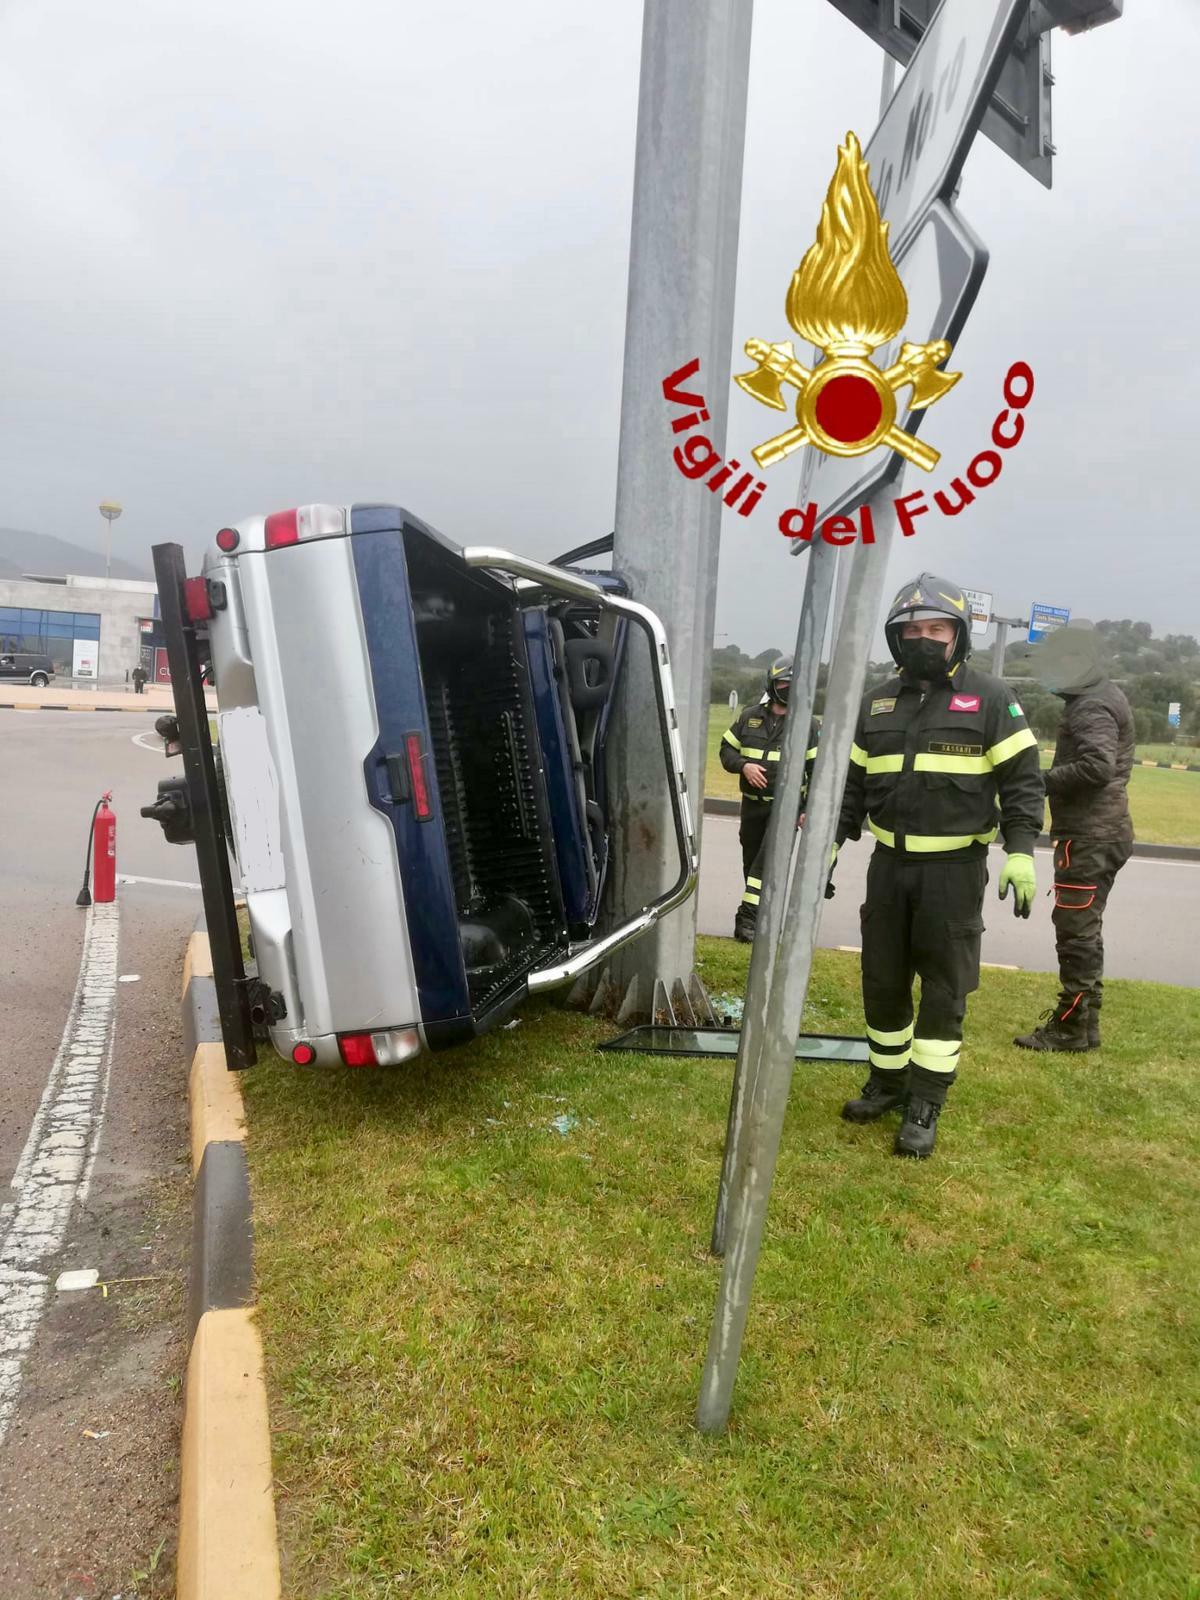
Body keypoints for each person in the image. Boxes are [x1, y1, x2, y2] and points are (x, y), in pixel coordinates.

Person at [833, 574, 1045, 1158]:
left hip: (953, 872)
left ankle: (926, 1101)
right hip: (888, 866)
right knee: (881, 981)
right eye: (912, 630)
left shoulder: (992, 698)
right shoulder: (876, 702)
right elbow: (849, 787)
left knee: (945, 990)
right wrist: (828, 845)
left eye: (936, 629)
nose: (923, 639)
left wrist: (1022, 851)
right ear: (896, 639)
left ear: (957, 635)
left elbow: (1023, 783)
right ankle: (888, 1081)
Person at [1014, 628, 1134, 1051]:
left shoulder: (1091, 706)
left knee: (1076, 932)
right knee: (1085, 929)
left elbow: (1096, 767)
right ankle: (1085, 1026)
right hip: (1105, 831)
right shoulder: (1104, 695)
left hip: (1088, 836)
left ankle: (1070, 1028)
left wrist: (1041, 781)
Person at [719, 657, 818, 941]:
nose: (789, 688)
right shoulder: (749, 716)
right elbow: (726, 750)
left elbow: (816, 770)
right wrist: (744, 766)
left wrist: (805, 808)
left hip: (784, 809)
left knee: (767, 864)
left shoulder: (808, 724)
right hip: (752, 806)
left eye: (794, 683)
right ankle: (766, 915)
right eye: (784, 682)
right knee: (752, 865)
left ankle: (747, 921)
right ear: (772, 684)